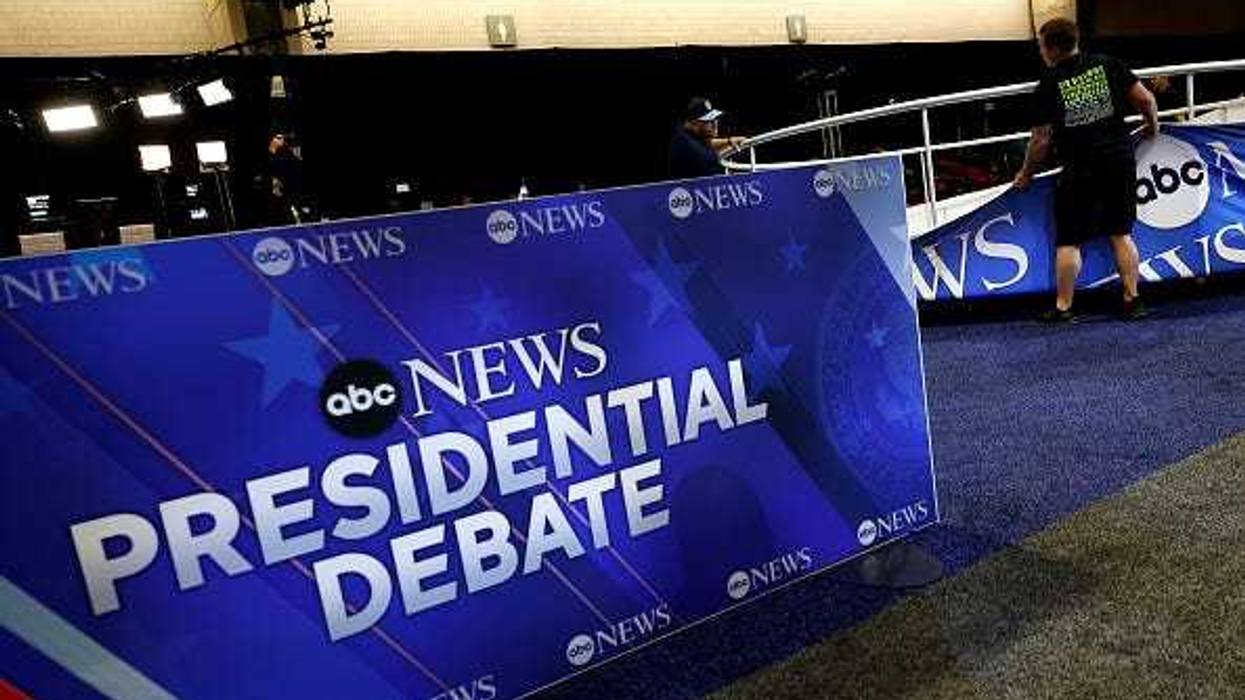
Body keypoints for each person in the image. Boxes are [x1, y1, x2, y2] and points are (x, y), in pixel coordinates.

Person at [1013, 18, 1159, 322]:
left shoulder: (1049, 84)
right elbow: (1146, 99)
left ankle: (1064, 307)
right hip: (1118, 159)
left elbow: (1040, 141)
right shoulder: (1108, 64)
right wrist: (1151, 127)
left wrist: (1026, 174)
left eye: (1041, 46)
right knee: (1120, 233)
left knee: (1069, 240)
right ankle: (1133, 301)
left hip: (1078, 167)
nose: (1041, 52)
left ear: (1052, 48)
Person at [667, 97, 746, 179]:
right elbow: (711, 159)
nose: (715, 124)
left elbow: (707, 143)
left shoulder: (693, 134)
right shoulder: (683, 142)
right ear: (694, 123)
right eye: (709, 120)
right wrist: (732, 149)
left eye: (715, 119)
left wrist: (728, 141)